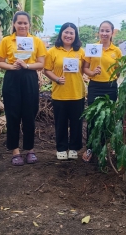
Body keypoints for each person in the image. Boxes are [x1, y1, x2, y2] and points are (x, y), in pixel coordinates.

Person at [0, 11, 46, 166]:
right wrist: (11, 66)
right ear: (14, 24)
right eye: (19, 23)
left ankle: (30, 149)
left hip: (29, 78)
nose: (22, 25)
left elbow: (41, 63)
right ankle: (15, 151)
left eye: (25, 23)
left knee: (29, 115)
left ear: (29, 24)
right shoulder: (6, 41)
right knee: (13, 115)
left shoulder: (36, 41)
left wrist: (27, 65)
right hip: (12, 78)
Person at [44, 23, 86, 160]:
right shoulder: (52, 51)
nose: (68, 35)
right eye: (66, 32)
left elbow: (85, 69)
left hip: (77, 92)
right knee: (60, 123)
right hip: (60, 93)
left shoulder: (80, 52)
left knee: (76, 123)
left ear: (75, 36)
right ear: (61, 34)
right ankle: (61, 148)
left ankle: (74, 148)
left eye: (71, 33)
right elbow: (47, 70)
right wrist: (56, 79)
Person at [82, 21, 122, 162]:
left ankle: (104, 147)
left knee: (107, 118)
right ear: (98, 32)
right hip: (94, 87)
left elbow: (118, 71)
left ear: (112, 33)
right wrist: (92, 73)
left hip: (110, 88)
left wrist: (111, 75)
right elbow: (84, 68)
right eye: (102, 30)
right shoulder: (93, 48)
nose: (104, 33)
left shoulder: (116, 51)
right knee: (92, 117)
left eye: (107, 31)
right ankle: (90, 147)